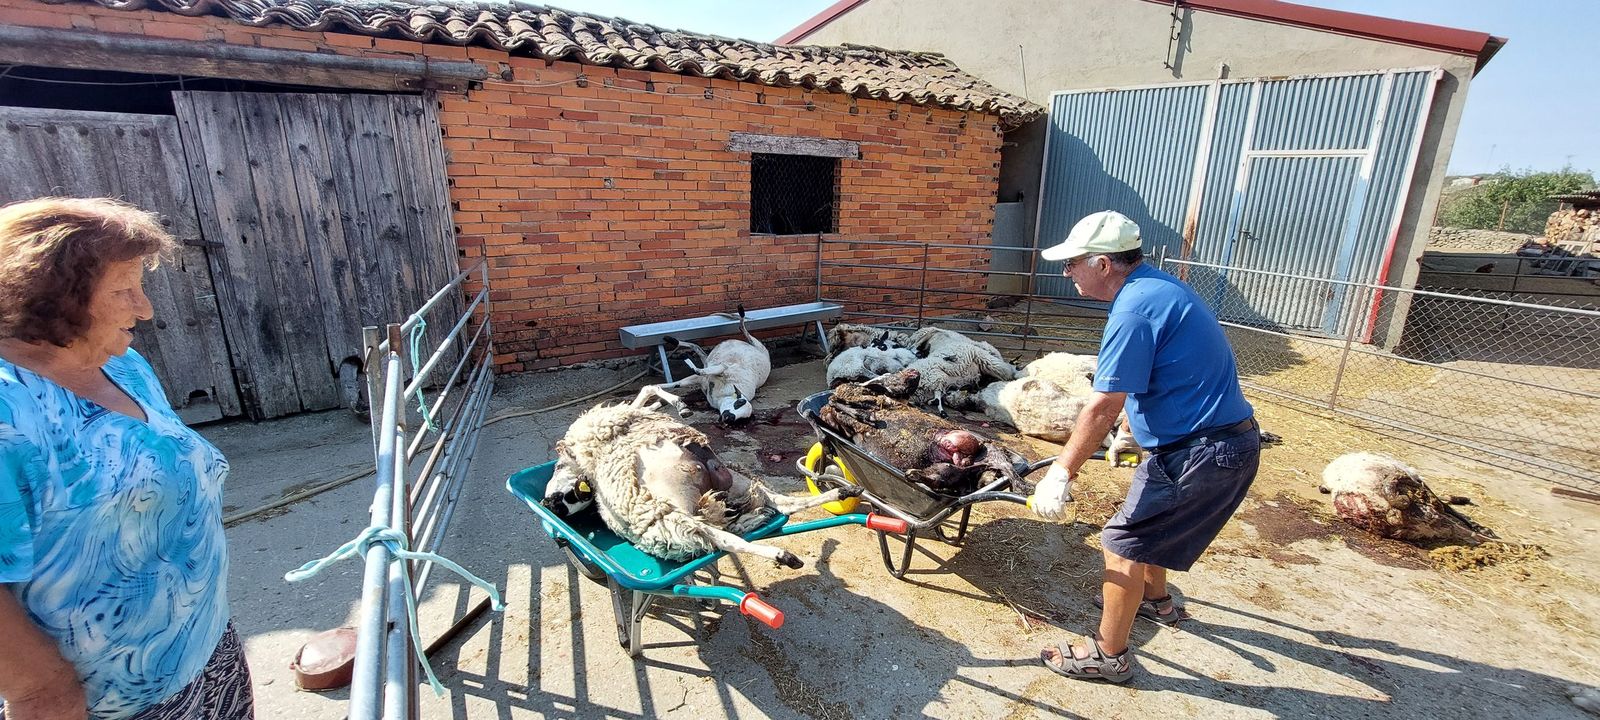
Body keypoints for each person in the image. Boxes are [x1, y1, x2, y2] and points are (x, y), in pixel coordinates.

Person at [0, 198, 253, 719]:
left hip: (204, 648)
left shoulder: (124, 365)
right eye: (122, 291)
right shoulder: (9, 411)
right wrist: (42, 690)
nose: (145, 309)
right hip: (109, 703)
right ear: (51, 298)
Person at [1031, 210, 1260, 683]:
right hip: (1220, 443)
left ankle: (1107, 656)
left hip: (1200, 452)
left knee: (1121, 544)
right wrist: (1136, 431)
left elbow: (1101, 405)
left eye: (1071, 263)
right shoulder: (1157, 288)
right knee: (1154, 527)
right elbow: (1161, 373)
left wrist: (1060, 473)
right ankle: (1155, 600)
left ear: (1101, 264)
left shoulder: (1134, 310)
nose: (1066, 272)